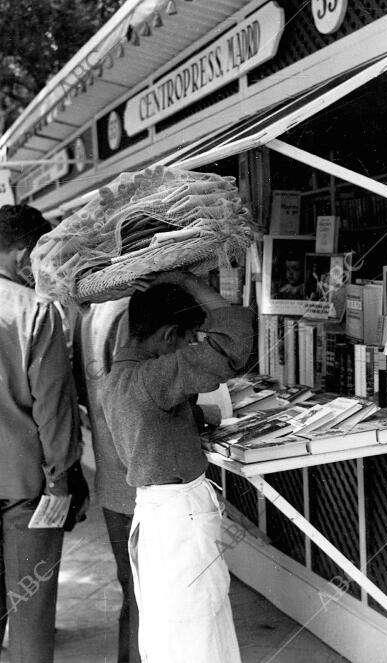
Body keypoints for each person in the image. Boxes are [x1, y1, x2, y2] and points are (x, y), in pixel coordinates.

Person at [101, 270, 253, 663]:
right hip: (178, 523)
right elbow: (234, 339)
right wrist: (186, 281)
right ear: (170, 336)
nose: (191, 346)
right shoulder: (152, 379)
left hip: (157, 518)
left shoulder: (119, 376)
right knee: (198, 634)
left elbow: (150, 421)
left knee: (177, 636)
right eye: (188, 339)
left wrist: (196, 417)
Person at [0, 204, 88, 663]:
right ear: (23, 256)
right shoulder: (36, 311)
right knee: (30, 612)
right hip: (28, 489)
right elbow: (53, 408)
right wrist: (63, 477)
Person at [73, 297, 141, 663]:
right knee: (144, 590)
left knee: (130, 585)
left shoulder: (92, 312)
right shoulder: (129, 311)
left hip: (110, 471)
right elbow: (130, 398)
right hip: (134, 472)